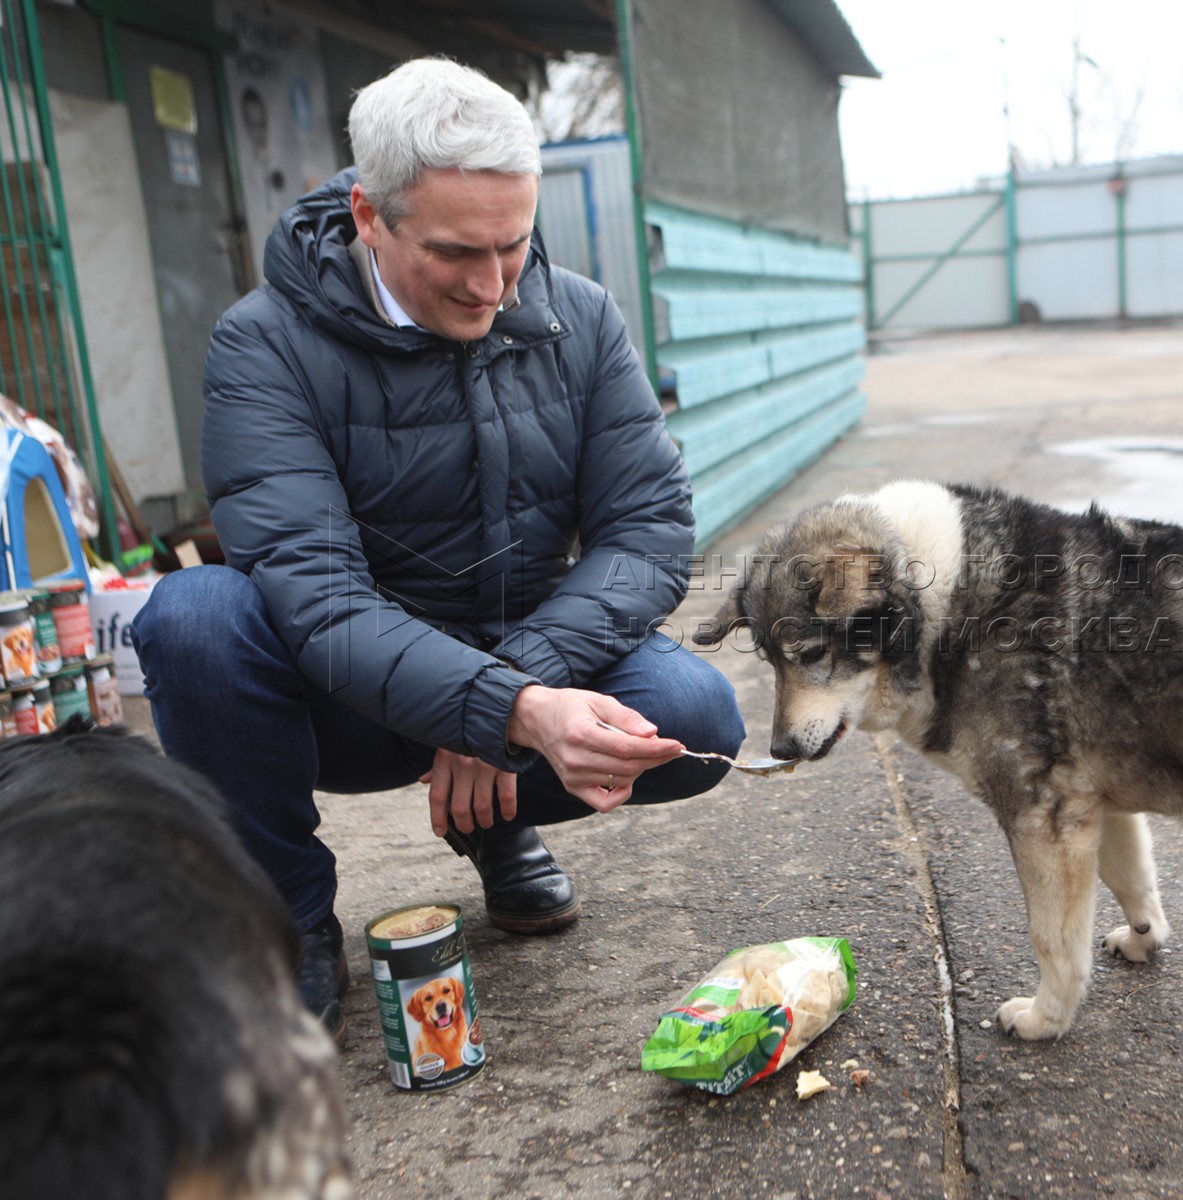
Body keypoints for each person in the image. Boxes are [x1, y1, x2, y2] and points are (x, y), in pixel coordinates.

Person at [135, 57, 745, 1036]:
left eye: (514, 244)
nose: (493, 284)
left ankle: (493, 826)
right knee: (194, 621)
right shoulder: (264, 346)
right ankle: (286, 918)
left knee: (693, 714)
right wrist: (510, 709)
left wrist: (516, 694)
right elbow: (319, 601)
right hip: (348, 699)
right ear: (370, 216)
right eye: (459, 252)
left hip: (517, 650)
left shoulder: (578, 317)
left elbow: (651, 529)